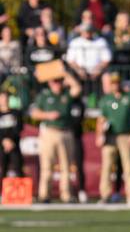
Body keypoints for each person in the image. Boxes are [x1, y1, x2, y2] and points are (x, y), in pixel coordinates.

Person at [31, 73, 82, 203]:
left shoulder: (66, 94)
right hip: (49, 132)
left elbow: (77, 87)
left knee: (66, 167)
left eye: (59, 81)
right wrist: (48, 115)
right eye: (54, 81)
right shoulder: (44, 95)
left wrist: (65, 74)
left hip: (65, 132)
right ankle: (44, 195)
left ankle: (66, 195)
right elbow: (34, 113)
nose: (57, 84)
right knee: (47, 166)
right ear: (50, 83)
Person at [96, 73, 130, 205]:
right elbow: (101, 120)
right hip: (110, 136)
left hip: (125, 135)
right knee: (106, 166)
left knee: (129, 167)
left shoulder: (129, 98)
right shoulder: (106, 100)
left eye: (117, 82)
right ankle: (105, 195)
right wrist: (99, 135)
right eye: (113, 83)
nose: (115, 85)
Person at [65, 23, 111, 97]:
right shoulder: (75, 42)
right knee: (67, 78)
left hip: (98, 71)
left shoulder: (101, 41)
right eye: (85, 31)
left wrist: (98, 69)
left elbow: (106, 59)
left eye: (89, 31)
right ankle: (71, 102)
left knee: (107, 77)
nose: (87, 33)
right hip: (78, 72)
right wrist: (79, 70)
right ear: (81, 32)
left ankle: (107, 102)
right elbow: (70, 60)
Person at [0, 89, 23, 178]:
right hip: (2, 147)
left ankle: (21, 191)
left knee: (18, 169)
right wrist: (3, 141)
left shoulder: (16, 113)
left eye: (5, 97)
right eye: (1, 98)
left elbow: (19, 128)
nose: (4, 100)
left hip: (14, 145)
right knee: (2, 170)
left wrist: (10, 140)